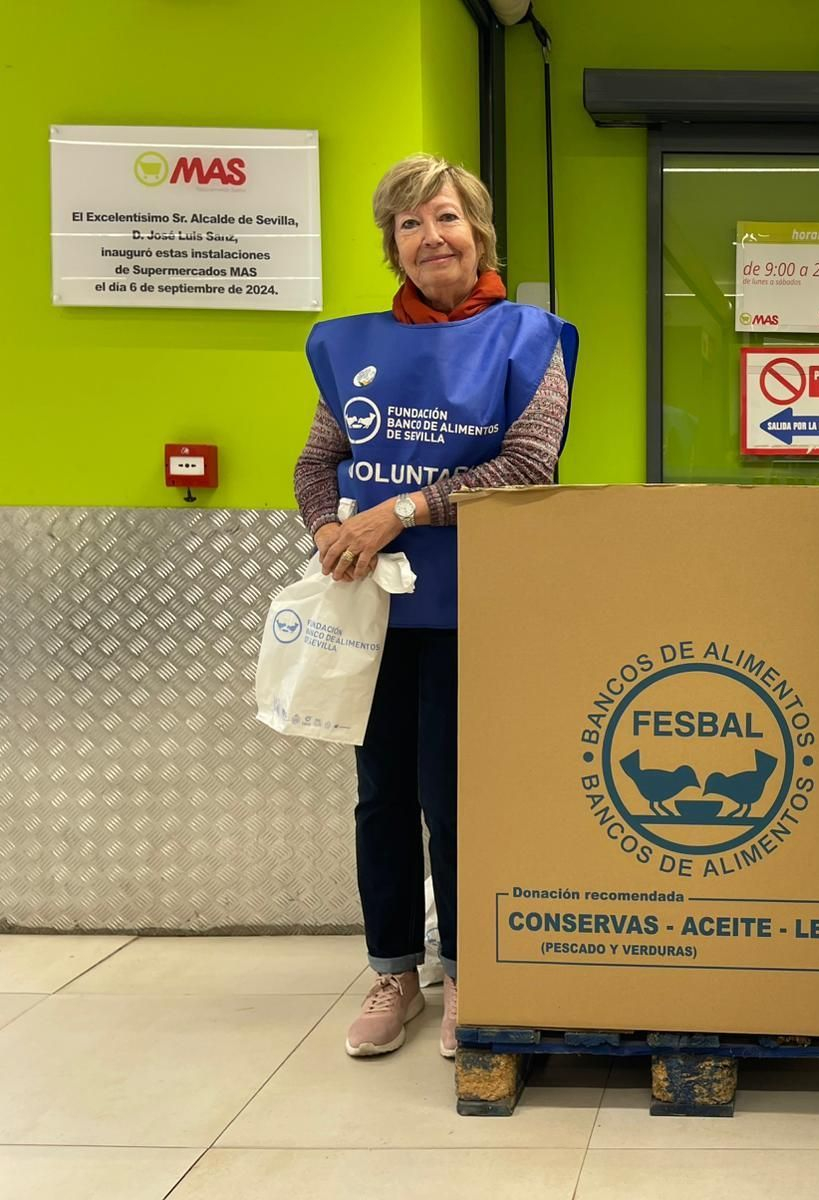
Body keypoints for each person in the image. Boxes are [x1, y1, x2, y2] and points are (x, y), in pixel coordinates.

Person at [292, 154, 577, 1060]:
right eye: (409, 226)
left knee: (458, 799)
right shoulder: (350, 348)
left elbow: (532, 466)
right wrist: (330, 535)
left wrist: (399, 512)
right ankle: (392, 972)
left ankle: (466, 973)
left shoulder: (531, 339)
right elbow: (315, 465)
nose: (431, 238)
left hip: (481, 610)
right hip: (375, 616)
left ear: (478, 230)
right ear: (393, 247)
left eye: (445, 218)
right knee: (381, 797)